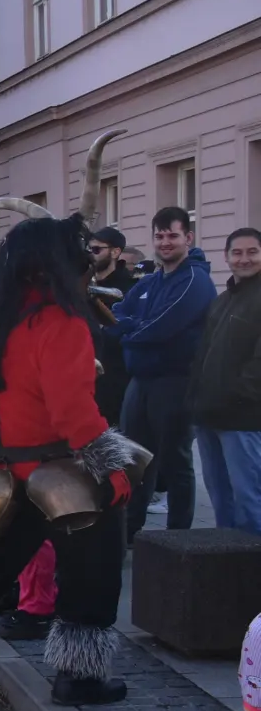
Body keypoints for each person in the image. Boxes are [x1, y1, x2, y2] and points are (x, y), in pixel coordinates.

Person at [0, 213, 139, 708]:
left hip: (0, 469)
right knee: (92, 571)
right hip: (60, 471)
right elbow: (73, 409)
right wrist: (110, 466)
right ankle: (78, 676)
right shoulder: (62, 321)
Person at [110, 206, 216, 540]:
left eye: (173, 235)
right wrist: (127, 327)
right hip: (140, 382)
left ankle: (179, 535)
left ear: (189, 237)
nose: (166, 242)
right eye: (160, 236)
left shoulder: (195, 280)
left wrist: (126, 331)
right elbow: (116, 314)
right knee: (136, 459)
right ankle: (131, 530)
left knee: (175, 460)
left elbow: (161, 327)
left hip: (175, 382)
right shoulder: (151, 281)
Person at [189, 227, 261, 534]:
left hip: (243, 419)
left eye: (252, 252)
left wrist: (231, 397)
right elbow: (202, 356)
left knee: (249, 501)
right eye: (237, 252)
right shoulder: (222, 300)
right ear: (227, 257)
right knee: (222, 502)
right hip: (208, 417)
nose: (244, 259)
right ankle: (226, 571)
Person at [89, 226, 135, 426]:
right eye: (88, 250)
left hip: (117, 379)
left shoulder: (130, 288)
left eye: (96, 250)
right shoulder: (80, 285)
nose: (91, 255)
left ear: (115, 252)